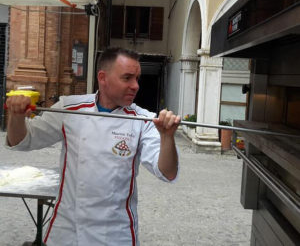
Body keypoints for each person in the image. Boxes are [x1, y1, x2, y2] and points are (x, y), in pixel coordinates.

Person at [5, 47, 181, 246]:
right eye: (127, 78)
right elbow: (22, 141)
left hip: (114, 233)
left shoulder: (144, 120)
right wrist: (17, 116)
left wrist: (167, 137)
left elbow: (167, 173)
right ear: (103, 77)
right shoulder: (70, 109)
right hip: (67, 231)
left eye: (137, 78)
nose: (135, 86)